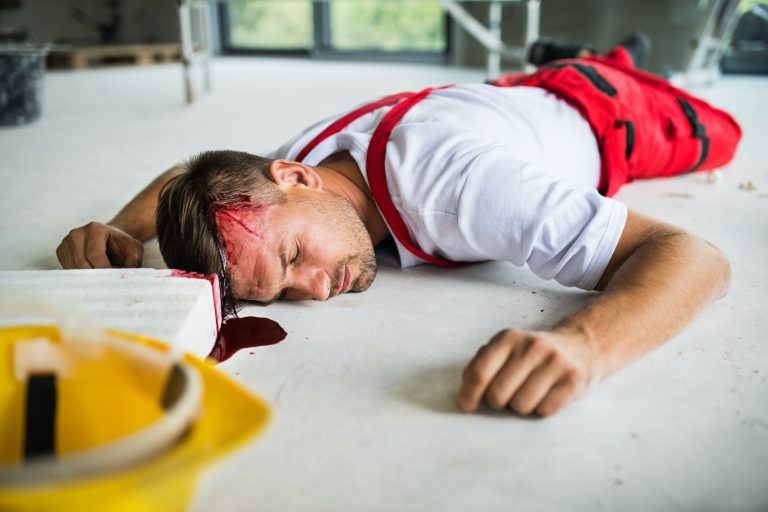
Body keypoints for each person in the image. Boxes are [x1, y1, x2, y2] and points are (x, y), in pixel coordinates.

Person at [57, 35, 741, 417]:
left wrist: (586, 346)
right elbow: (187, 175)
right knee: (567, 66)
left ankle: (610, 60)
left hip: (602, 112)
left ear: (297, 178)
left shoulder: (464, 192)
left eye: (294, 257)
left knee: (718, 133)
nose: (315, 290)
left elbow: (692, 254)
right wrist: (121, 227)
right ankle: (592, 51)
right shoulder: (288, 167)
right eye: (285, 290)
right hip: (488, 101)